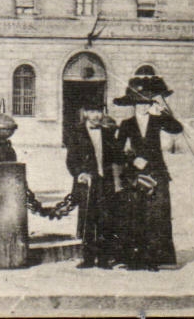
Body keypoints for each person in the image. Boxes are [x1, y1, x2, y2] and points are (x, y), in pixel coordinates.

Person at [113, 74, 183, 270]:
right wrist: (132, 159)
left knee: (158, 214)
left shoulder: (157, 120)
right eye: (138, 103)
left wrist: (163, 113)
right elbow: (116, 151)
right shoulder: (126, 124)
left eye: (146, 103)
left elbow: (177, 128)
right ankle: (136, 258)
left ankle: (158, 258)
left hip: (157, 171)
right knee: (136, 215)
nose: (142, 107)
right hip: (135, 174)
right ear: (132, 105)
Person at [65, 107, 122, 268]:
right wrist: (80, 173)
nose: (96, 115)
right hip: (87, 181)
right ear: (85, 114)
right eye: (92, 112)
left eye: (99, 111)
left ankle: (104, 259)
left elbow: (117, 155)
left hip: (105, 181)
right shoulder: (76, 132)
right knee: (88, 219)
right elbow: (71, 159)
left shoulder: (107, 132)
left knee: (105, 218)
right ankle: (88, 258)